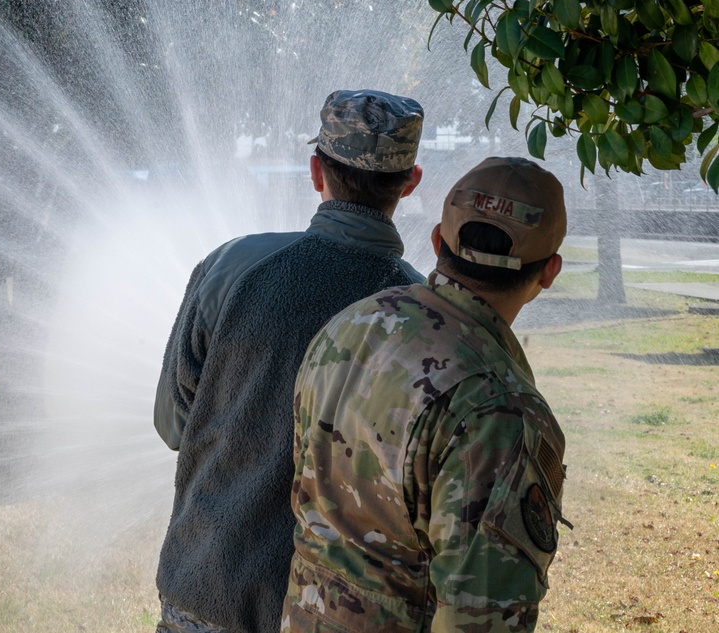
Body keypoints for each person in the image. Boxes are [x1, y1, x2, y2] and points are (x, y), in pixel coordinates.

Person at [154, 89, 426, 633]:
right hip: (332, 614)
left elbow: (173, 426)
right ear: (410, 182)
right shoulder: (421, 313)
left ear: (315, 171)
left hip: (205, 590)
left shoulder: (233, 266)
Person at [280, 156, 571, 632]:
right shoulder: (499, 410)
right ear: (549, 272)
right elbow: (478, 617)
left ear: (438, 241)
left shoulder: (351, 325)